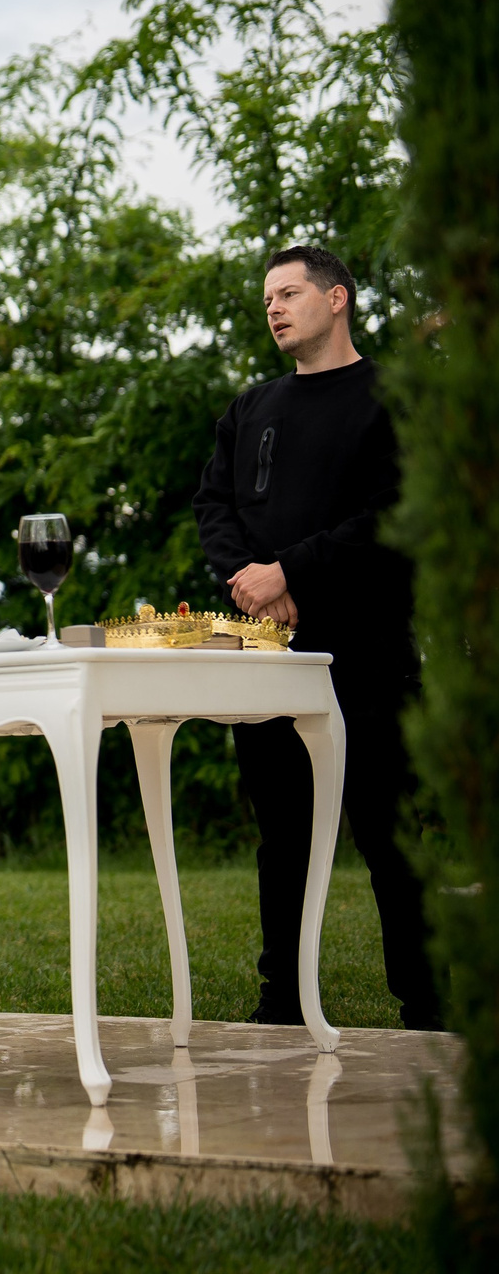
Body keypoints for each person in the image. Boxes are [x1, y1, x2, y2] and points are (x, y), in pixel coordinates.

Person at [195, 245, 441, 1030]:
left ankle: (430, 1006)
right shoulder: (251, 407)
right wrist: (250, 583)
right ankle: (285, 1000)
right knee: (285, 842)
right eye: (268, 296)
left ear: (338, 299)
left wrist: (291, 573)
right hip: (269, 661)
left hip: (366, 654)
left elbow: (394, 515)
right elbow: (215, 508)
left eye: (290, 292)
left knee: (391, 841)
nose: (274, 307)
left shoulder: (394, 398)